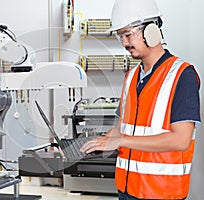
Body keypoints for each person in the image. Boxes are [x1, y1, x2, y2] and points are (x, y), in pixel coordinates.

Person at [80, 0, 201, 199]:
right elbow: (122, 128)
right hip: (127, 190)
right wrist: (90, 144)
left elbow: (181, 140)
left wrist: (121, 140)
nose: (125, 43)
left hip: (161, 193)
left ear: (151, 31)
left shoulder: (182, 75)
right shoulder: (131, 77)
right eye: (120, 37)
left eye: (128, 34)